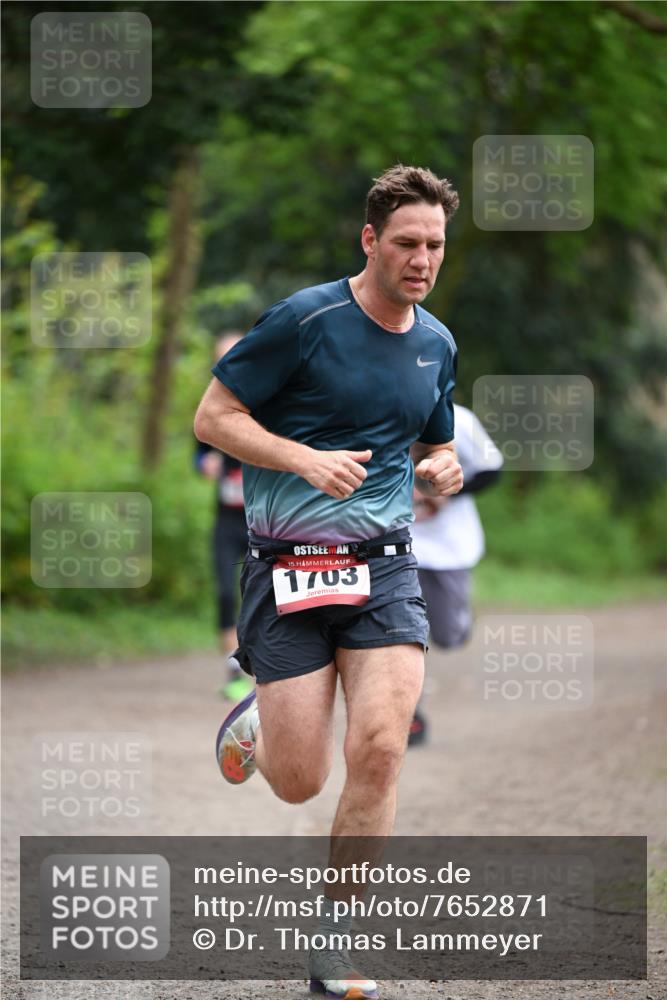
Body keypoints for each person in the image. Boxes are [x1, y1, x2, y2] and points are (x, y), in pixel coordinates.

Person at [194, 164, 463, 1000]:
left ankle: (335, 940)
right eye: (408, 243)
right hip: (285, 571)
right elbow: (213, 419)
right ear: (370, 240)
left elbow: (429, 443)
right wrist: (301, 456)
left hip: (384, 571)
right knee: (301, 780)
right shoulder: (304, 321)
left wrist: (443, 463)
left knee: (381, 748)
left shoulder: (436, 344)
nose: (422, 259)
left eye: (436, 245)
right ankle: (260, 732)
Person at [408, 403, 503, 745]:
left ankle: (459, 618)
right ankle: (410, 716)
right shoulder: (381, 408)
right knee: (405, 634)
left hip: (450, 546)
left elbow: (495, 469)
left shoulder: (460, 419)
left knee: (449, 635)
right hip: (399, 544)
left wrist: (449, 493)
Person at [195, 332, 254, 701]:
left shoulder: (266, 403)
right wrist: (206, 463)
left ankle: (262, 665)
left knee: (258, 595)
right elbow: (197, 455)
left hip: (263, 521)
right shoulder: (210, 406)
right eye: (221, 359)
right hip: (226, 520)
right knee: (223, 591)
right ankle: (234, 670)